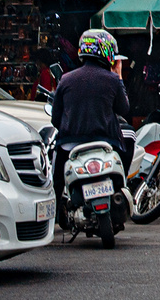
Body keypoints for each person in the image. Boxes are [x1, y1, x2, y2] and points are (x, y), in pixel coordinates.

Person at [50, 29, 132, 218]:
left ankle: (56, 209)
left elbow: (55, 119)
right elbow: (124, 109)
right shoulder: (112, 80)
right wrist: (118, 76)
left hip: (70, 144)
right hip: (106, 142)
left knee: (56, 181)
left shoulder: (66, 79)